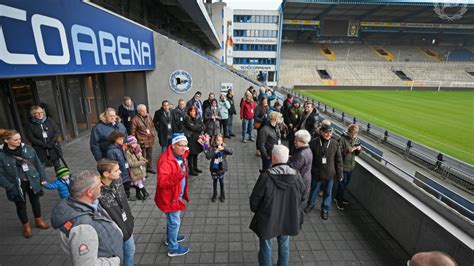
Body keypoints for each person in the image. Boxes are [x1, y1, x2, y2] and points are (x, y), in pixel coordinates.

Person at [51, 170, 123, 265]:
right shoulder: (83, 228)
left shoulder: (85, 203)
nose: (102, 185)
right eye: (99, 185)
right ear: (90, 192)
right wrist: (115, 261)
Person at [249, 145, 306, 266]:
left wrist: (257, 210)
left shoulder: (266, 177)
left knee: (266, 246)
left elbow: (255, 200)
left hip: (268, 219)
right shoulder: (296, 175)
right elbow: (303, 196)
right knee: (284, 245)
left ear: (274, 158)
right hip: (288, 218)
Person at [0, 129, 50, 238]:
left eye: (20, 138)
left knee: (35, 201)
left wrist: (42, 177)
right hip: (16, 185)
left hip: (32, 180)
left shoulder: (28, 149)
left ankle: (39, 220)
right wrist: (10, 186)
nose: (19, 141)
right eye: (15, 139)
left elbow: (38, 164)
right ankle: (26, 227)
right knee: (21, 206)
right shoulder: (1, 155)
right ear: (6, 141)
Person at [155, 133, 190, 257]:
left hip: (176, 194)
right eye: (181, 146)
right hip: (170, 197)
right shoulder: (165, 160)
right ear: (173, 145)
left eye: (185, 146)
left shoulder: (179, 154)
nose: (183, 149)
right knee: (174, 222)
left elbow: (185, 153)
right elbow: (162, 182)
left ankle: (171, 237)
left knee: (172, 220)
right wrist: (179, 175)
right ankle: (173, 248)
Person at [97, 159, 136, 266]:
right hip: (116, 231)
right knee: (126, 253)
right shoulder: (98, 192)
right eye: (116, 170)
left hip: (127, 225)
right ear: (106, 174)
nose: (120, 172)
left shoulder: (118, 180)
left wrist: (130, 218)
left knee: (130, 252)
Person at [306, 121, 343, 220]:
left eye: (330, 132)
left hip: (329, 174)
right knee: (313, 191)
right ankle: (310, 204)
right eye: (326, 132)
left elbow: (339, 160)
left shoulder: (335, 143)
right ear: (321, 132)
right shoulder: (313, 142)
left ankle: (325, 209)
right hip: (316, 173)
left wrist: (340, 174)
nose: (329, 134)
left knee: (328, 193)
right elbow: (309, 159)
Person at [335, 124, 361, 211]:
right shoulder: (342, 139)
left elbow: (357, 154)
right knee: (342, 184)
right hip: (343, 166)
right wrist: (347, 150)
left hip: (351, 166)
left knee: (345, 184)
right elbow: (338, 153)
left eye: (355, 134)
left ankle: (338, 197)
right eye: (352, 133)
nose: (353, 135)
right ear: (348, 132)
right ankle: (339, 200)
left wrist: (359, 149)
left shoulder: (356, 139)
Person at [204, 134, 233, 202]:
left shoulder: (224, 146)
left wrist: (224, 148)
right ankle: (215, 195)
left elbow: (231, 152)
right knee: (214, 182)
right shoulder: (212, 148)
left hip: (222, 168)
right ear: (215, 141)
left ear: (222, 141)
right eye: (218, 140)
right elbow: (208, 157)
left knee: (221, 182)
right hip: (214, 168)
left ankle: (222, 195)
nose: (219, 142)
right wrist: (215, 151)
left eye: (220, 140)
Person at [106, 131, 132, 199]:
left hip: (125, 171)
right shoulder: (112, 151)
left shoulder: (121, 147)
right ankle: (125, 199)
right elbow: (113, 165)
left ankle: (127, 197)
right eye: (119, 139)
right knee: (122, 188)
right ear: (114, 140)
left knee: (127, 185)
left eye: (122, 139)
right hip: (121, 173)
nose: (122, 140)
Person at [131, 104, 156, 173]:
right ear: (138, 111)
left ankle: (149, 168)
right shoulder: (135, 119)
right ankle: (143, 170)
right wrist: (134, 142)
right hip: (141, 141)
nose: (144, 112)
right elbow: (132, 132)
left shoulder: (149, 116)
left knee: (149, 155)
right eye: (142, 111)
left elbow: (152, 125)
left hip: (150, 139)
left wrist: (153, 133)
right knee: (142, 156)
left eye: (145, 110)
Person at [125, 135, 149, 200]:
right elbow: (131, 164)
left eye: (135, 142)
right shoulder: (128, 152)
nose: (135, 144)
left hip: (140, 169)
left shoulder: (137, 148)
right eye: (133, 143)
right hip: (134, 171)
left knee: (138, 183)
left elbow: (140, 157)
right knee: (138, 182)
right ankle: (145, 192)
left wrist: (143, 159)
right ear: (130, 144)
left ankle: (138, 194)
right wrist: (141, 162)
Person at [289, 130, 313, 195]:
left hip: (300, 182)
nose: (294, 142)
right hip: (305, 180)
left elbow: (293, 167)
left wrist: (286, 160)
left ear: (302, 141)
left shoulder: (301, 154)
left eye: (296, 140)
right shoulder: (308, 149)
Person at [183, 106, 205, 176]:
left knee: (196, 154)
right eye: (191, 111)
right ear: (189, 112)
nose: (193, 112)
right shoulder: (187, 118)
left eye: (194, 111)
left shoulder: (198, 118)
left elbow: (203, 127)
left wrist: (197, 127)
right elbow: (192, 127)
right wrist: (198, 126)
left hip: (197, 139)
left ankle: (195, 168)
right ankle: (191, 170)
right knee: (191, 155)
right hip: (190, 139)